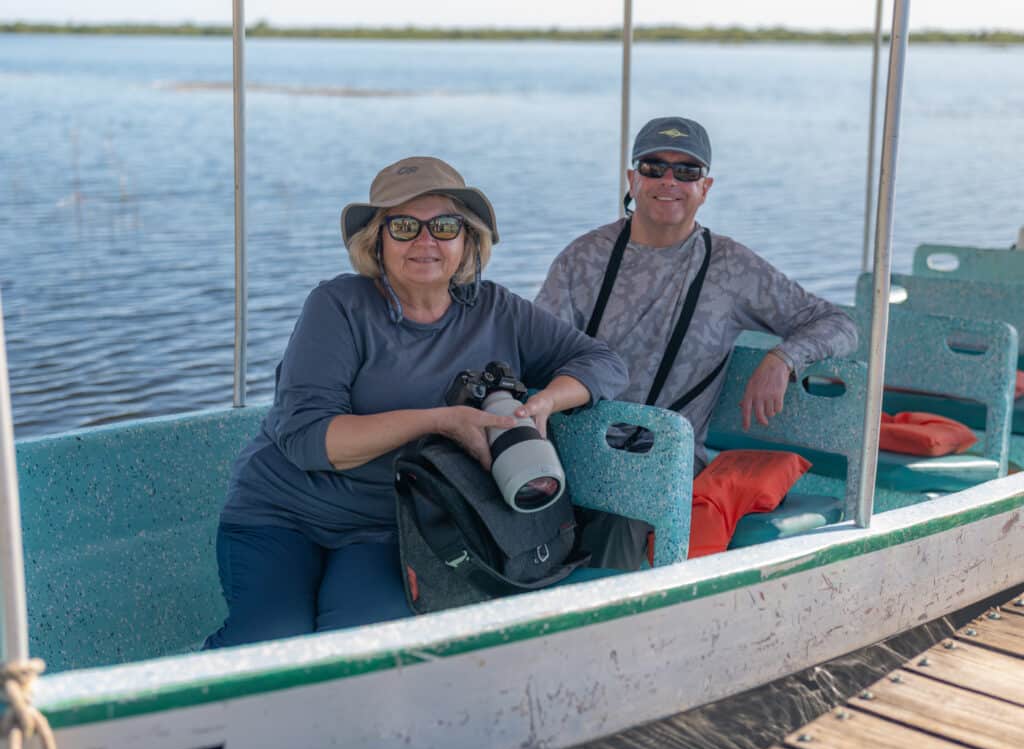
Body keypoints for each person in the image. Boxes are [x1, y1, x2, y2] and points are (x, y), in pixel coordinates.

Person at [204, 157, 628, 648]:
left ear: (467, 240)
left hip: (391, 527)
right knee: (269, 641)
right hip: (282, 514)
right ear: (377, 241)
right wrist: (440, 421)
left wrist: (546, 402)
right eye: (404, 226)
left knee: (360, 648)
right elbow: (308, 440)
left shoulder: (496, 310)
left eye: (444, 226)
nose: (426, 241)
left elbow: (603, 362)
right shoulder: (338, 306)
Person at [536, 117, 857, 567]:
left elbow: (838, 324)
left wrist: (783, 358)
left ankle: (616, 610)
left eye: (686, 171)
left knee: (618, 523)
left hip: (662, 463)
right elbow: (536, 352)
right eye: (654, 167)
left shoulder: (732, 267)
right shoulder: (583, 257)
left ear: (705, 188)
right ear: (632, 179)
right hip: (572, 450)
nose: (669, 181)